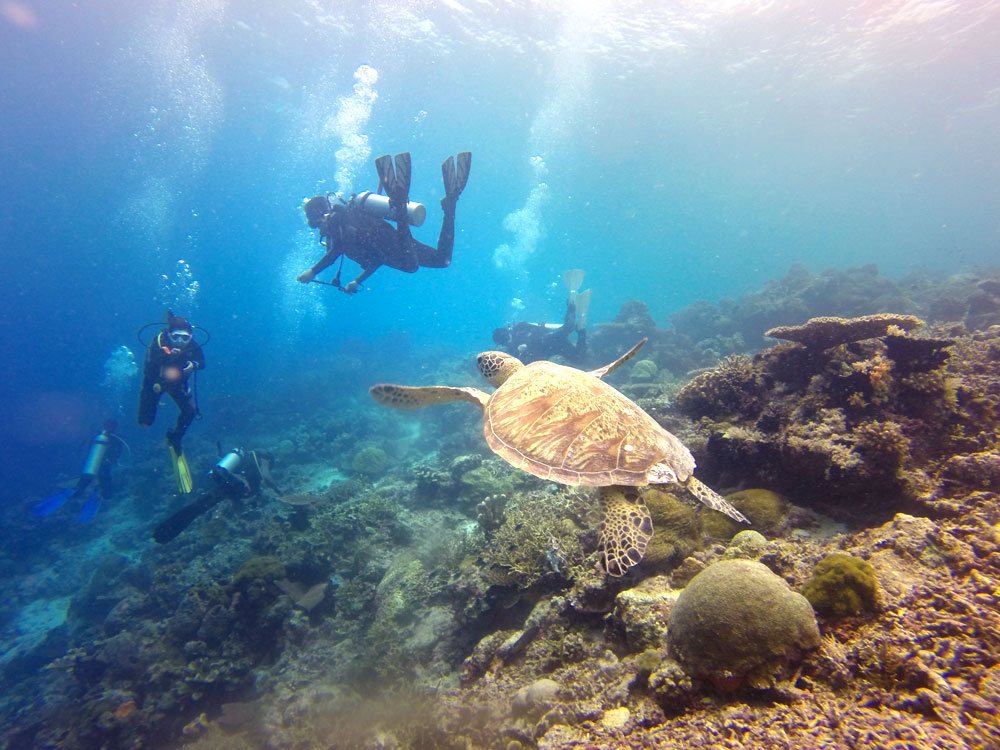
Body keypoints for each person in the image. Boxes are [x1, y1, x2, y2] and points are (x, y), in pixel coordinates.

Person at [297, 151, 471, 293]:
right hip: (396, 240)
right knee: (442, 260)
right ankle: (450, 207)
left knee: (411, 267)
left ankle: (400, 207)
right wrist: (357, 281)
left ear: (318, 216)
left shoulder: (335, 219)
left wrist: (312, 272)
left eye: (316, 224)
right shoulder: (343, 221)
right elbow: (377, 259)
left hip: (391, 243)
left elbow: (336, 251)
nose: (319, 229)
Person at [138, 310, 205, 493]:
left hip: (178, 383)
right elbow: (150, 368)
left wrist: (194, 365)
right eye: (177, 337)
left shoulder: (191, 344)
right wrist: (166, 360)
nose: (181, 342)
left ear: (190, 336)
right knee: (145, 422)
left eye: (185, 338)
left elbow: (202, 361)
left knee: (190, 412)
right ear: (169, 334)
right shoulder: (158, 344)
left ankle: (175, 437)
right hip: (155, 383)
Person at [153, 447, 281, 543]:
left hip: (225, 484)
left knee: (198, 507)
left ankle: (165, 531)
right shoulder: (264, 459)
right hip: (235, 485)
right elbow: (266, 476)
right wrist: (279, 491)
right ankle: (166, 532)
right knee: (200, 508)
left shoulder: (245, 459)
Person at [32, 419, 128, 523]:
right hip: (104, 468)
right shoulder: (117, 439)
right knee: (106, 490)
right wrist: (110, 460)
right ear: (115, 427)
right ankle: (98, 499)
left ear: (104, 425)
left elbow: (85, 450)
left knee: (80, 487)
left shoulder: (96, 436)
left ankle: (65, 495)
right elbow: (117, 455)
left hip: (89, 467)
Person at [493, 270, 591, 365]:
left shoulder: (519, 329)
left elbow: (540, 329)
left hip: (550, 340)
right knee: (579, 359)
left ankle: (572, 299)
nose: (507, 341)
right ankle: (581, 325)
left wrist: (527, 345)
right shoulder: (513, 351)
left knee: (568, 328)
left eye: (505, 338)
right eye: (504, 341)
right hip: (554, 347)